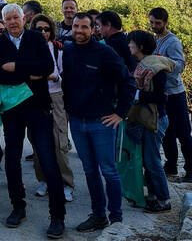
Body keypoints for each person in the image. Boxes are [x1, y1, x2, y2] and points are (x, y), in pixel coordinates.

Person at [0, 4, 65, 238]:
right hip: (12, 111)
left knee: (48, 160)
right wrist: (29, 73)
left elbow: (47, 67)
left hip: (38, 107)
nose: (12, 22)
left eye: (15, 17)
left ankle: (57, 215)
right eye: (7, 18)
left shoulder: (35, 38)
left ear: (23, 18)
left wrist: (16, 67)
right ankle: (18, 207)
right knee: (12, 159)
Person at [62, 13, 135, 232]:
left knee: (109, 171)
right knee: (89, 170)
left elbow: (128, 82)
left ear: (93, 29)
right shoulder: (68, 50)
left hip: (101, 122)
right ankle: (98, 215)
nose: (79, 31)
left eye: (84, 27)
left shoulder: (105, 52)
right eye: (76, 26)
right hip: (76, 121)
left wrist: (120, 114)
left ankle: (116, 219)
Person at [30, 15, 75, 202]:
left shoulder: (58, 50)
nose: (43, 32)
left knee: (59, 141)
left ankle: (66, 183)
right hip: (34, 97)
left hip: (55, 96)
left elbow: (66, 78)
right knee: (37, 142)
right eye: (39, 29)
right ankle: (44, 180)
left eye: (46, 29)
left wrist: (55, 78)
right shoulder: (29, 50)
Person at [127, 30, 172, 213]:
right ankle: (153, 196)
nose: (129, 46)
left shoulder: (155, 67)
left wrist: (136, 94)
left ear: (140, 47)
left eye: (131, 43)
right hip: (147, 119)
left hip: (155, 119)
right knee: (148, 160)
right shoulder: (144, 64)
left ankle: (164, 199)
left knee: (152, 161)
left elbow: (161, 98)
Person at [149, 7, 192, 181]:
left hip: (175, 92)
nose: (154, 26)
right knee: (166, 131)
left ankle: (190, 169)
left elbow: (180, 65)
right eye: (152, 22)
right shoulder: (154, 39)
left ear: (165, 22)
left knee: (183, 133)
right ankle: (171, 165)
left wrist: (161, 64)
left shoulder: (172, 41)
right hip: (162, 93)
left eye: (157, 23)